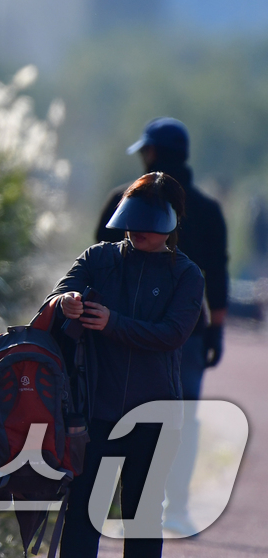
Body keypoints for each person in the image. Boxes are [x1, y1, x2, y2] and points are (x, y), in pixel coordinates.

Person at [46, 173, 205, 558]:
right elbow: (55, 296)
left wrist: (112, 323)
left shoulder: (186, 275)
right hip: (96, 414)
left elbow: (172, 334)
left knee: (143, 518)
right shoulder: (98, 258)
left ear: (171, 223)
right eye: (132, 222)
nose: (137, 231)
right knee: (84, 513)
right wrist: (65, 301)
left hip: (154, 418)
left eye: (148, 224)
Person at [96, 117, 227, 535]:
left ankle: (108, 504)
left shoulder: (122, 200)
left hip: (118, 330)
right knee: (179, 419)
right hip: (187, 332)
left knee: (111, 415)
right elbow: (217, 273)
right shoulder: (206, 208)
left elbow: (99, 259)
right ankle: (175, 507)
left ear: (151, 153)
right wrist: (216, 329)